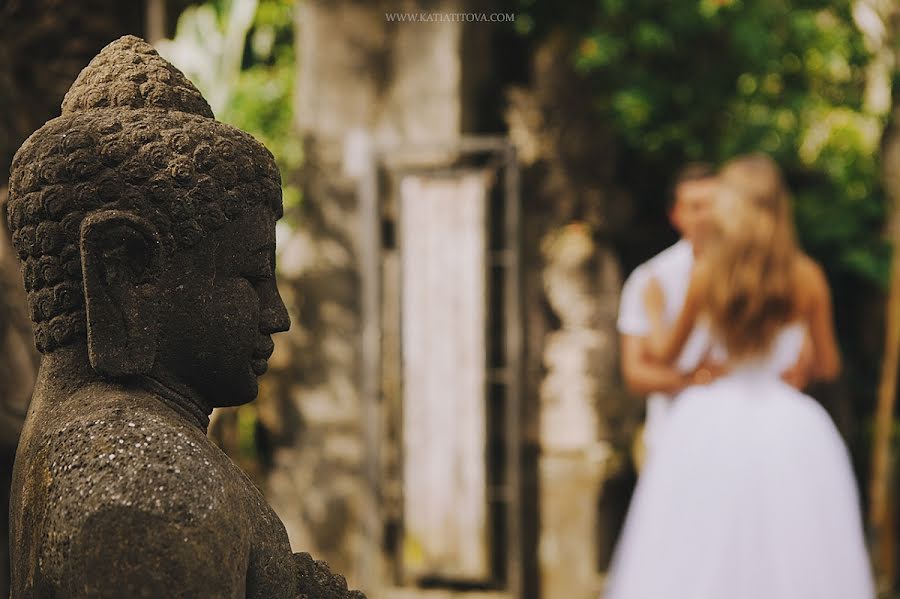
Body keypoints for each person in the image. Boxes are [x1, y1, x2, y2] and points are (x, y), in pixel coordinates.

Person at [5, 36, 364, 598]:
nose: (277, 315)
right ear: (122, 273)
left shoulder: (91, 448)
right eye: (249, 276)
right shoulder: (149, 491)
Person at [603, 154, 874, 599]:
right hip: (787, 421)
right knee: (792, 545)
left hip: (707, 419)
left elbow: (665, 354)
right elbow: (828, 365)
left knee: (697, 545)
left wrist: (654, 312)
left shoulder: (708, 274)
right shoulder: (806, 277)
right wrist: (798, 361)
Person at [617, 164, 722, 463]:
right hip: (671, 433)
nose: (706, 216)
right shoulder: (651, 278)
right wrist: (696, 380)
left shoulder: (753, 275)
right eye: (696, 207)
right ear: (677, 215)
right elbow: (636, 373)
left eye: (714, 205)